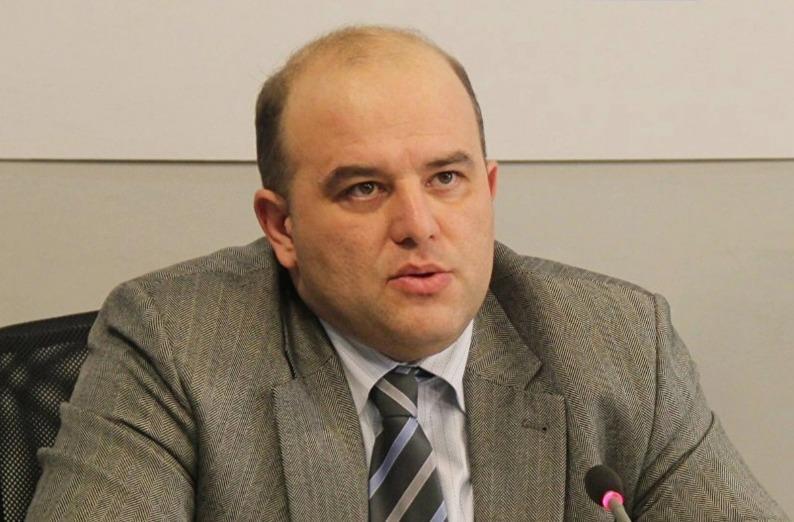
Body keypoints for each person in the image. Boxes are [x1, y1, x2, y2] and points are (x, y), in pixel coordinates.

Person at [28, 26, 786, 521]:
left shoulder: (619, 345)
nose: (419, 223)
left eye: (447, 179)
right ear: (282, 226)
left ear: (489, 189)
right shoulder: (175, 343)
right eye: (364, 189)